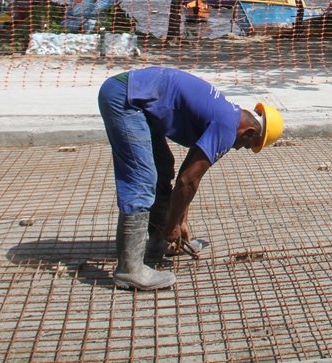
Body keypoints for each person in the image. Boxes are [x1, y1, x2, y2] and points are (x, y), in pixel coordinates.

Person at [97, 66, 284, 290]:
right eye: (247, 145)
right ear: (250, 132)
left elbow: (188, 173)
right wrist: (173, 225)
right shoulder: (226, 127)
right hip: (125, 98)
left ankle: (157, 242)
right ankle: (129, 270)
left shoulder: (227, 116)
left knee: (163, 167)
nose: (239, 148)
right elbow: (188, 181)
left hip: (135, 98)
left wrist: (180, 221)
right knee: (142, 177)